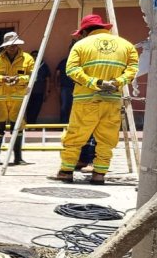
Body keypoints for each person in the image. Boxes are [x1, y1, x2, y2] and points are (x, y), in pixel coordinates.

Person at [55, 14, 138, 185]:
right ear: (104, 27)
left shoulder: (80, 45)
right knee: (106, 139)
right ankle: (99, 174)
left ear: (85, 31)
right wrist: (117, 82)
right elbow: (132, 69)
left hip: (86, 100)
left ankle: (66, 171)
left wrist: (95, 82)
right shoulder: (127, 46)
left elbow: (71, 71)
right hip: (112, 100)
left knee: (75, 136)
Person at [0, 31, 34, 165]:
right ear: (5, 46)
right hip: (0, 98)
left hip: (18, 98)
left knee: (17, 127)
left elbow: (34, 77)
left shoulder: (28, 58)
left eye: (15, 45)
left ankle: (18, 158)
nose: (12, 47)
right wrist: (1, 78)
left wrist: (19, 79)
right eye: (10, 45)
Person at [26, 50, 50, 124]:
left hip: (39, 91)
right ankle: (29, 123)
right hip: (28, 91)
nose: (35, 57)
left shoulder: (44, 66)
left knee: (36, 108)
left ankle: (32, 124)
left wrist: (47, 91)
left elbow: (48, 79)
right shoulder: (27, 65)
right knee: (28, 108)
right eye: (33, 55)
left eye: (37, 55)